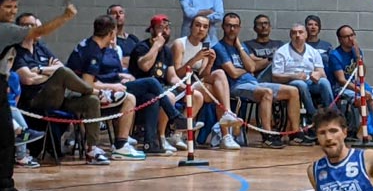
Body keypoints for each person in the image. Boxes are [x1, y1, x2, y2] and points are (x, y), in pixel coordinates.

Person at [1, 0, 80, 191]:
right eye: (8, 7)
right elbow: (37, 32)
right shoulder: (5, 30)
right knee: (6, 137)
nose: (12, 11)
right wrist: (65, 16)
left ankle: (5, 185)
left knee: (7, 138)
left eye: (15, 6)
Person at [13, 13, 119, 165]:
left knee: (91, 101)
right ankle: (98, 92)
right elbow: (28, 79)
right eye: (26, 25)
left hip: (57, 97)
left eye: (33, 25)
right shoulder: (16, 51)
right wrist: (51, 72)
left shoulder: (41, 48)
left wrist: (40, 70)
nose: (31, 28)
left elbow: (60, 66)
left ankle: (92, 150)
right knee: (63, 74)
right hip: (36, 100)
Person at [213, 12, 311, 149]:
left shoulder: (241, 46)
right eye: (229, 26)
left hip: (254, 83)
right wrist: (247, 69)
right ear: (223, 27)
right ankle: (267, 135)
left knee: (293, 91)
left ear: (239, 28)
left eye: (235, 26)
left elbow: (252, 67)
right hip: (236, 86)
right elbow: (234, 73)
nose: (232, 29)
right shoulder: (219, 47)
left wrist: (240, 48)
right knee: (266, 92)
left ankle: (294, 134)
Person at [67, 15, 152, 159]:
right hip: (77, 96)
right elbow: (86, 84)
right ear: (112, 33)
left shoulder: (90, 44)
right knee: (129, 98)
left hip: (78, 92)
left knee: (127, 96)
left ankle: (121, 144)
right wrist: (112, 87)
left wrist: (111, 86)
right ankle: (120, 146)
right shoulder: (94, 52)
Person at [129, 14, 200, 154]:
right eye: (160, 28)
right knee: (168, 96)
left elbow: (172, 76)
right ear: (152, 30)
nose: (165, 31)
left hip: (162, 87)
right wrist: (156, 46)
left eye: (167, 28)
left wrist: (185, 88)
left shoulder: (167, 51)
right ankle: (162, 136)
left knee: (196, 95)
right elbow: (145, 67)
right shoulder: (142, 47)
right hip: (142, 90)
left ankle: (178, 133)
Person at [170, 15, 242, 150]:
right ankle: (225, 132)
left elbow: (203, 74)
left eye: (205, 27)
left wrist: (210, 63)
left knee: (219, 75)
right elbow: (177, 73)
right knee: (217, 91)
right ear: (191, 27)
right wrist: (195, 58)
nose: (201, 29)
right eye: (197, 25)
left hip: (197, 82)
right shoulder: (179, 43)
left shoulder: (205, 47)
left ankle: (226, 132)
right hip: (180, 83)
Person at [328, 25, 373, 139]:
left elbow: (362, 74)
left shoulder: (357, 51)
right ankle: (367, 131)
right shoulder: (334, 55)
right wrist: (360, 91)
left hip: (356, 83)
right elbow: (341, 80)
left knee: (372, 97)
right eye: (346, 37)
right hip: (343, 87)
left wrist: (358, 57)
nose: (350, 39)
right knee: (362, 99)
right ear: (340, 39)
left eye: (352, 35)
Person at [272, 24, 334, 120]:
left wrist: (317, 74)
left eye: (300, 32)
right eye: (294, 33)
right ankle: (312, 115)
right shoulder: (281, 52)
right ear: (290, 35)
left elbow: (322, 73)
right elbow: (275, 77)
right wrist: (294, 76)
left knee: (324, 82)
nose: (297, 35)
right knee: (300, 84)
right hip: (290, 83)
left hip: (310, 81)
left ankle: (332, 113)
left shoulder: (313, 52)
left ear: (306, 35)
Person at [108, 4, 139, 69]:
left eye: (121, 12)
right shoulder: (108, 40)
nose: (118, 15)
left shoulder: (133, 38)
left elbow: (142, 58)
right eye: (114, 13)